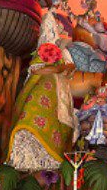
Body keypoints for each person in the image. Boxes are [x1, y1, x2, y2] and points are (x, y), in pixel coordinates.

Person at [6, 9, 77, 171]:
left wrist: (64, 67)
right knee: (31, 120)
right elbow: (37, 70)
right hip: (41, 90)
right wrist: (58, 69)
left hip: (58, 95)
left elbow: (70, 70)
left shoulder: (63, 53)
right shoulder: (45, 50)